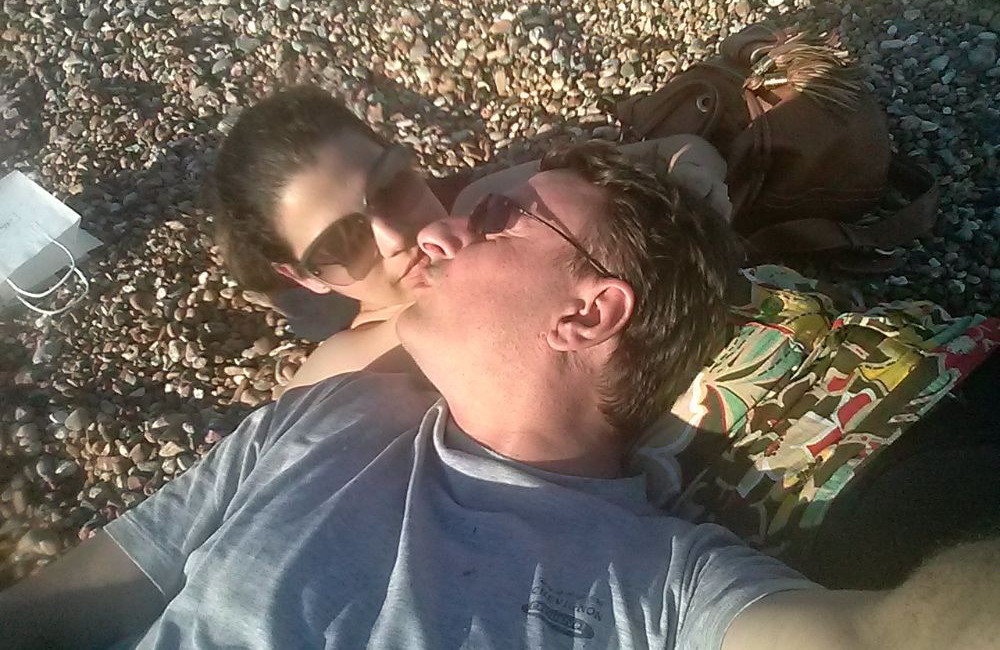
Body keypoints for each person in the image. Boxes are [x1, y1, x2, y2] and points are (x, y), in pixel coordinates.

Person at [1, 144, 995, 649]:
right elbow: (63, 609)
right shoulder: (320, 418)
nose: (428, 234)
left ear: (588, 313)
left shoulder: (662, 582)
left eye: (497, 219)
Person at [210, 85, 733, 387]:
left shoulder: (492, 207)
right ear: (304, 273)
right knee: (302, 314)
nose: (394, 238)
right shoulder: (345, 371)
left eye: (390, 188)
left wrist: (694, 190)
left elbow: (676, 150)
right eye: (340, 244)